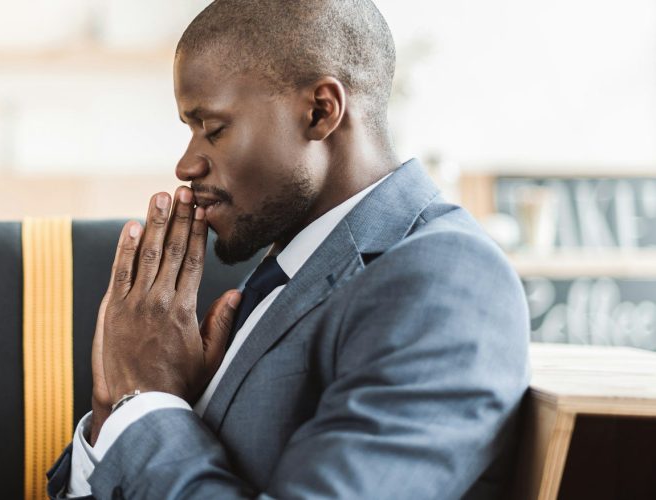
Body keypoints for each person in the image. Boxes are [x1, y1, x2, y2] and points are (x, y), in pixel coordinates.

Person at [46, 0, 530, 498]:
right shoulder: (283, 273)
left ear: (320, 111)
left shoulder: (445, 279)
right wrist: (115, 414)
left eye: (212, 129)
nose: (187, 164)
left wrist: (147, 401)